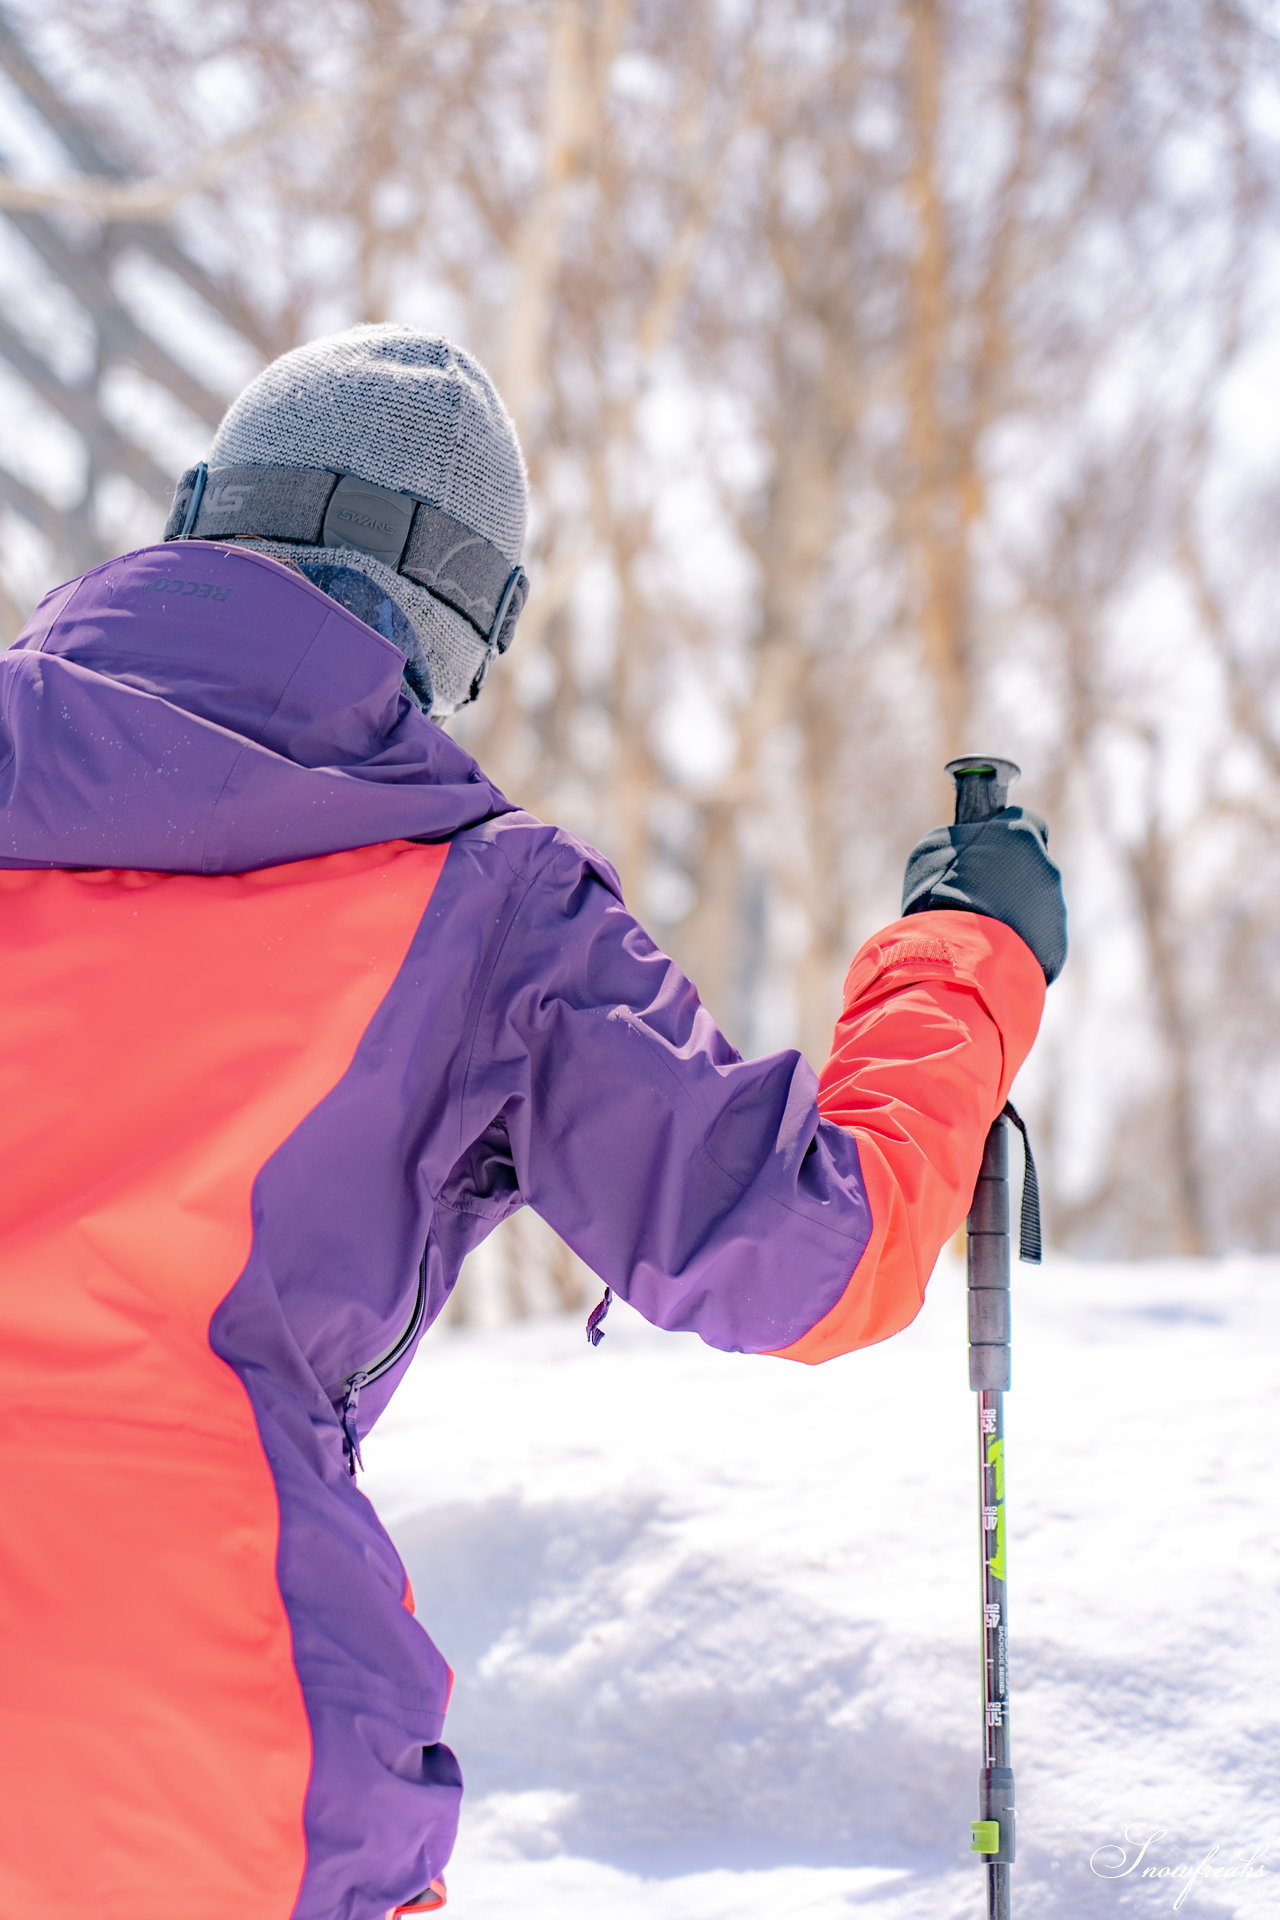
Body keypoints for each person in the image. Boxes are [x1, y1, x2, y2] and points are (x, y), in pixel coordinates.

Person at [0, 324, 1065, 1920]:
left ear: (198, 510)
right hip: (219, 1755)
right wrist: (967, 957)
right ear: (464, 638)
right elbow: (806, 1258)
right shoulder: (487, 904)